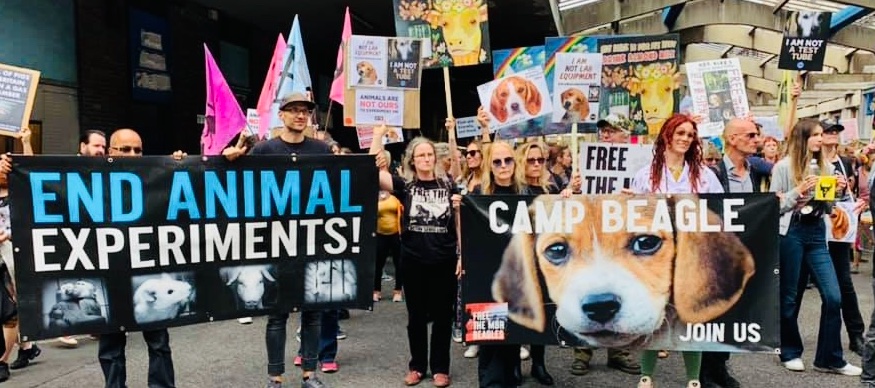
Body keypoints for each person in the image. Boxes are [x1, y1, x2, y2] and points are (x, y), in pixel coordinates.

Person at [224, 92, 333, 388]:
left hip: (312, 242)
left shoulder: (321, 150)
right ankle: (275, 377)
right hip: (275, 243)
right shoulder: (264, 150)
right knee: (277, 315)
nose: (300, 115)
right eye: (293, 110)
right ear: (281, 115)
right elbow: (234, 180)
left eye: (305, 111)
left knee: (312, 313)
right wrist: (228, 157)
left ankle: (310, 373)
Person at [631, 114, 724, 388]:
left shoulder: (705, 176)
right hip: (655, 258)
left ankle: (693, 378)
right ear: (667, 136)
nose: (685, 138)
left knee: (690, 317)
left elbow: (722, 208)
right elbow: (633, 217)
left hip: (692, 255)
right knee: (654, 316)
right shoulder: (645, 175)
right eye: (680, 133)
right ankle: (646, 375)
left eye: (690, 135)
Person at [371, 121, 461, 388]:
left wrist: (452, 132)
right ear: (413, 160)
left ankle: (441, 368)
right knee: (416, 318)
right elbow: (372, 171)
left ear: (435, 158)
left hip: (444, 259)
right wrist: (377, 136)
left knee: (443, 317)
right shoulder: (405, 186)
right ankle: (417, 366)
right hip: (413, 260)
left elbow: (459, 222)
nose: (426, 159)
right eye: (421, 155)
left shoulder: (448, 183)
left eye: (430, 154)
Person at [771, 118, 860, 376]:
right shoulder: (783, 167)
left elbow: (829, 208)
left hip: (817, 231)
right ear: (803, 138)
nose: (821, 139)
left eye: (822, 134)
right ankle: (789, 351)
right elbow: (774, 206)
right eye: (816, 135)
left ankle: (829, 358)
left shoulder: (827, 167)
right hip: (792, 231)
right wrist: (797, 191)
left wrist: (837, 192)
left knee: (834, 296)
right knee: (789, 296)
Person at [703, 118, 764, 388]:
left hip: (742, 250)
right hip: (716, 252)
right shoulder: (713, 174)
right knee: (713, 312)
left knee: (732, 311)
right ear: (732, 139)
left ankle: (720, 367)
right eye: (750, 135)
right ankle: (706, 371)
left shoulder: (755, 172)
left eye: (756, 135)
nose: (756, 140)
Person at [818, 119, 866, 358]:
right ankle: (787, 339)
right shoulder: (812, 161)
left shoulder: (845, 162)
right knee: (796, 286)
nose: (833, 134)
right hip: (814, 227)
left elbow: (851, 194)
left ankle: (856, 335)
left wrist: (858, 204)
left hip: (838, 230)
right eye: (828, 131)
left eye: (836, 131)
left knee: (844, 283)